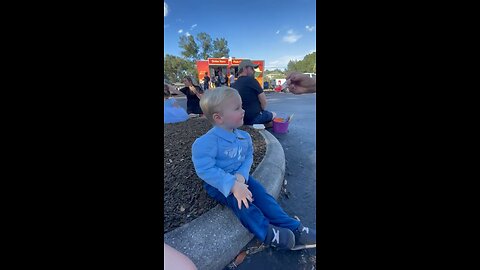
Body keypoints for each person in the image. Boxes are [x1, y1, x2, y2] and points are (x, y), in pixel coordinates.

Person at [192, 87, 316, 251]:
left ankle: (294, 227)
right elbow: (205, 169)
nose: (243, 111)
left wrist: (242, 177)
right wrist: (234, 185)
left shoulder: (244, 137)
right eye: (237, 108)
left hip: (241, 178)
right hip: (219, 184)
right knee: (242, 203)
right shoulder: (205, 143)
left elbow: (248, 157)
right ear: (218, 118)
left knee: (263, 197)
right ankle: (267, 233)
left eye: (241, 106)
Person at [231, 59, 276, 127]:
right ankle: (263, 125)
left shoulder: (234, 84)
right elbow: (263, 101)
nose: (253, 71)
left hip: (240, 119)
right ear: (245, 68)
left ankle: (260, 125)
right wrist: (262, 111)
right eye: (252, 68)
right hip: (253, 118)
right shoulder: (252, 80)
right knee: (273, 114)